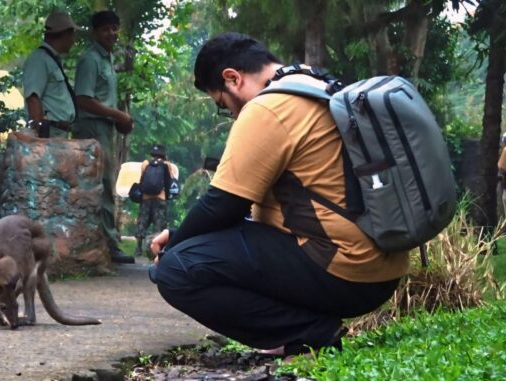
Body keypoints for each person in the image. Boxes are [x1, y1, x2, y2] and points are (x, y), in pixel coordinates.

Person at [149, 32, 408, 358]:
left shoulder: (270, 106)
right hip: (381, 272)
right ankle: (307, 325)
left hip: (343, 271)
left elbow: (223, 205)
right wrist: (182, 235)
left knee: (175, 271)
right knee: (203, 249)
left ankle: (310, 332)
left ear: (232, 78)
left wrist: (173, 246)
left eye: (223, 105)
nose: (230, 114)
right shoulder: (316, 84)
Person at [73, 10, 134, 264]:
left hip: (105, 127)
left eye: (114, 28)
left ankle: (101, 242)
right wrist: (117, 114)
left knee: (105, 184)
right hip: (92, 127)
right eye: (106, 29)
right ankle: (108, 244)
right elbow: (83, 99)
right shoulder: (90, 59)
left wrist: (118, 119)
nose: (112, 33)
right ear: (95, 32)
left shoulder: (107, 58)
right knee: (101, 185)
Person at [23, 11, 80, 138]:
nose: (73, 40)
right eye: (73, 34)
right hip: (50, 133)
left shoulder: (51, 60)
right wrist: (41, 137)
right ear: (66, 34)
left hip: (59, 133)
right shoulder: (39, 59)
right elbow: (33, 98)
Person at [134, 144, 174, 257]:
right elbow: (168, 182)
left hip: (146, 198)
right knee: (158, 224)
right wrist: (168, 197)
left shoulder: (145, 163)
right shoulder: (166, 165)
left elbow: (141, 180)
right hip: (160, 198)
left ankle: (138, 248)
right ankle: (154, 250)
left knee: (142, 222)